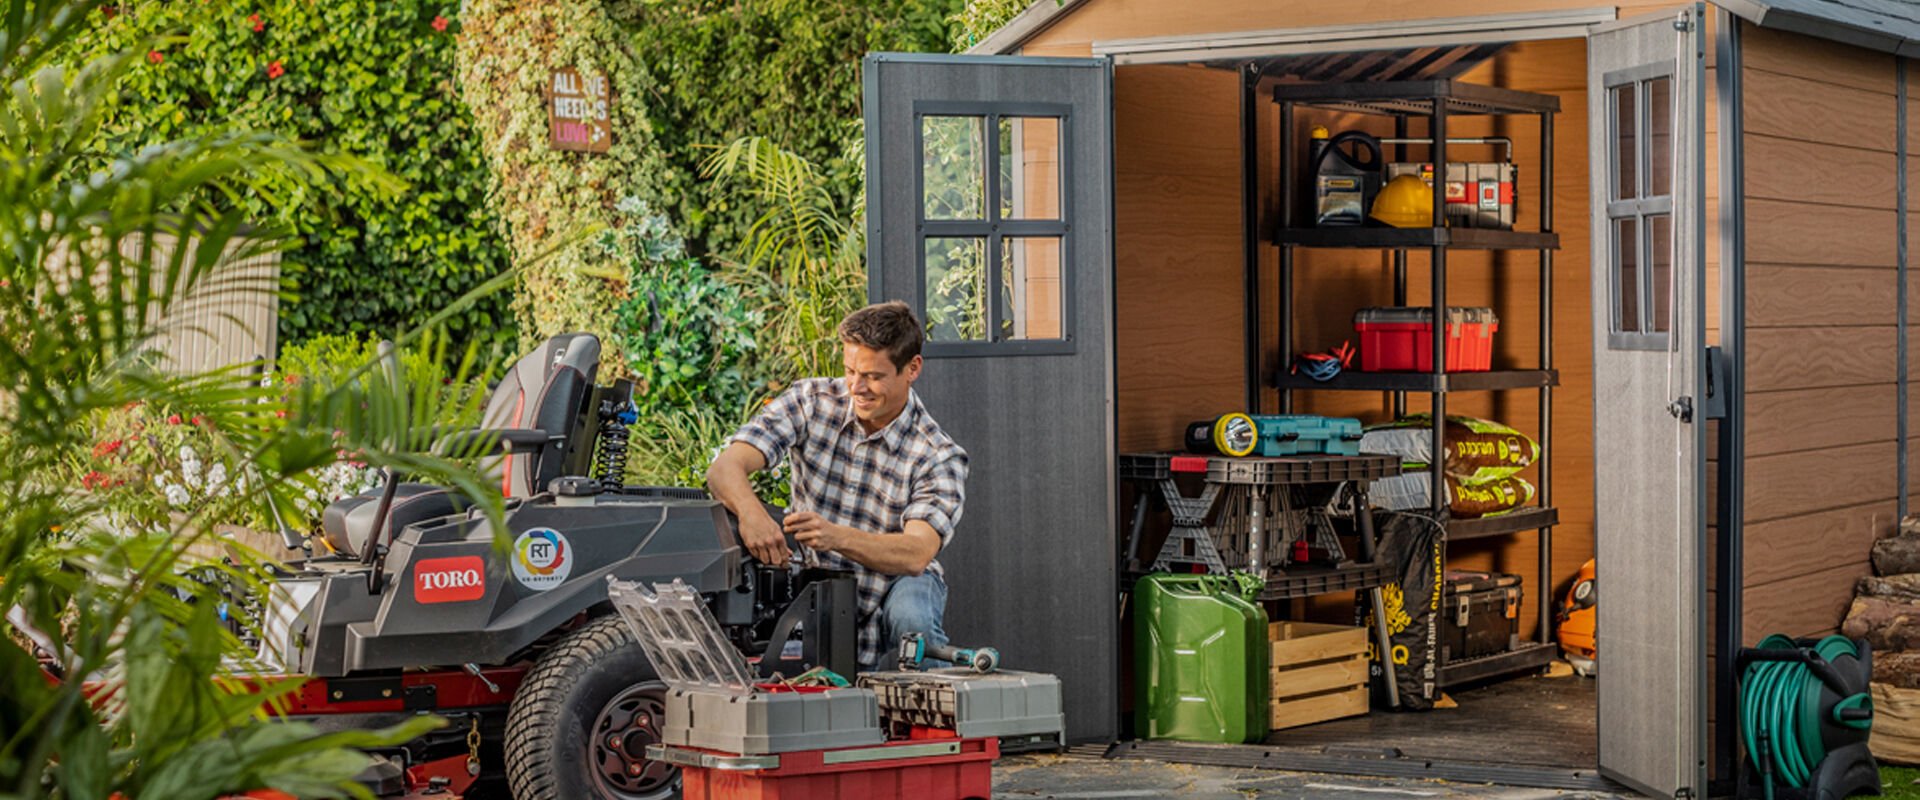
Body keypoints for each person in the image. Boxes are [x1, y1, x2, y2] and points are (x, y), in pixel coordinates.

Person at [706, 301, 969, 671]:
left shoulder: (937, 455)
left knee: (914, 618)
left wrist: (834, 537)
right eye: (850, 371)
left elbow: (915, 553)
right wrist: (753, 515)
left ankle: (940, 718)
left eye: (874, 377)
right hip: (817, 587)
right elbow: (724, 468)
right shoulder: (811, 402)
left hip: (895, 584)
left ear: (912, 369)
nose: (857, 387)